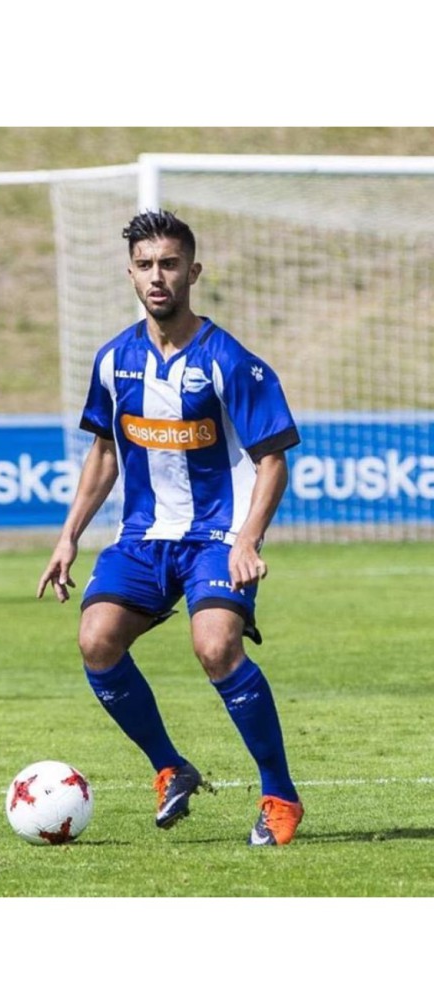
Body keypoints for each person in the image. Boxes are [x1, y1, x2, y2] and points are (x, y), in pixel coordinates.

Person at [37, 210, 304, 846]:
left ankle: (279, 796)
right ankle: (171, 767)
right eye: (146, 265)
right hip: (146, 535)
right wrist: (69, 534)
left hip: (217, 536)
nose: (158, 277)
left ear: (193, 271)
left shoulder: (229, 360)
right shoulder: (114, 360)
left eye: (170, 264)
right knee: (96, 641)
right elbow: (105, 452)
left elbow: (273, 462)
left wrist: (248, 539)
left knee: (215, 646)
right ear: (130, 273)